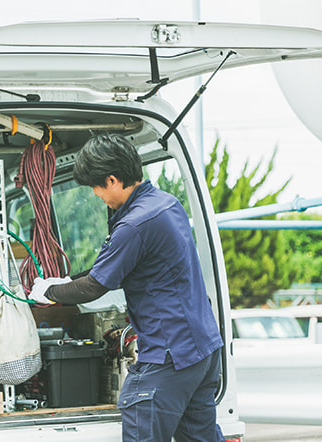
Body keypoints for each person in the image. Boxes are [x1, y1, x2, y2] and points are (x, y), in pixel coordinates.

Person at [28, 133, 225, 442]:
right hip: (202, 348)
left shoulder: (134, 224)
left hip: (169, 353)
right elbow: (114, 266)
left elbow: (94, 286)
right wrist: (67, 282)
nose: (96, 195)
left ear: (112, 179)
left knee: (141, 427)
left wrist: (49, 292)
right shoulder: (164, 204)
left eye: (95, 187)